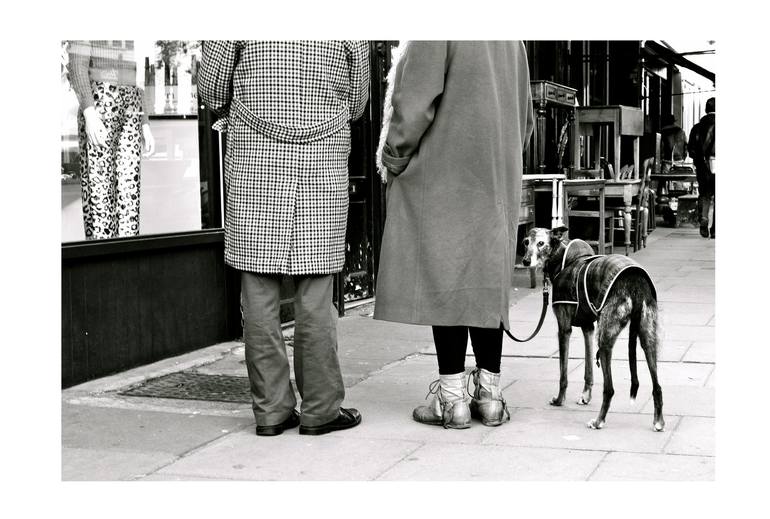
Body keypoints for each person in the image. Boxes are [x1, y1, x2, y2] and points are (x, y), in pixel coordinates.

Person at [198, 41, 370, 436]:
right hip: (322, 158)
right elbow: (359, 101)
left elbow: (211, 89)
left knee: (257, 288)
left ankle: (272, 410)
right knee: (316, 292)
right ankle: (321, 409)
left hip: (255, 156)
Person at [374, 41, 534, 429]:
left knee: (444, 275)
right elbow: (526, 118)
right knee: (485, 281)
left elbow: (413, 104)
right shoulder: (513, 38)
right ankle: (490, 396)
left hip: (444, 171)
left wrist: (393, 158)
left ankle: (451, 400)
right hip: (493, 175)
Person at [68, 40, 155, 240]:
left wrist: (145, 122)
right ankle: (102, 262)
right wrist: (89, 110)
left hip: (130, 102)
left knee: (129, 195)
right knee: (100, 195)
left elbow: (135, 74)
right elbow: (77, 64)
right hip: (100, 100)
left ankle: (127, 259)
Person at [688, 97, 716, 238]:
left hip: (702, 167)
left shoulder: (696, 127)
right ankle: (715, 229)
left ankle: (703, 220)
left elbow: (690, 150)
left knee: (704, 194)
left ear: (706, 110)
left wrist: (700, 160)